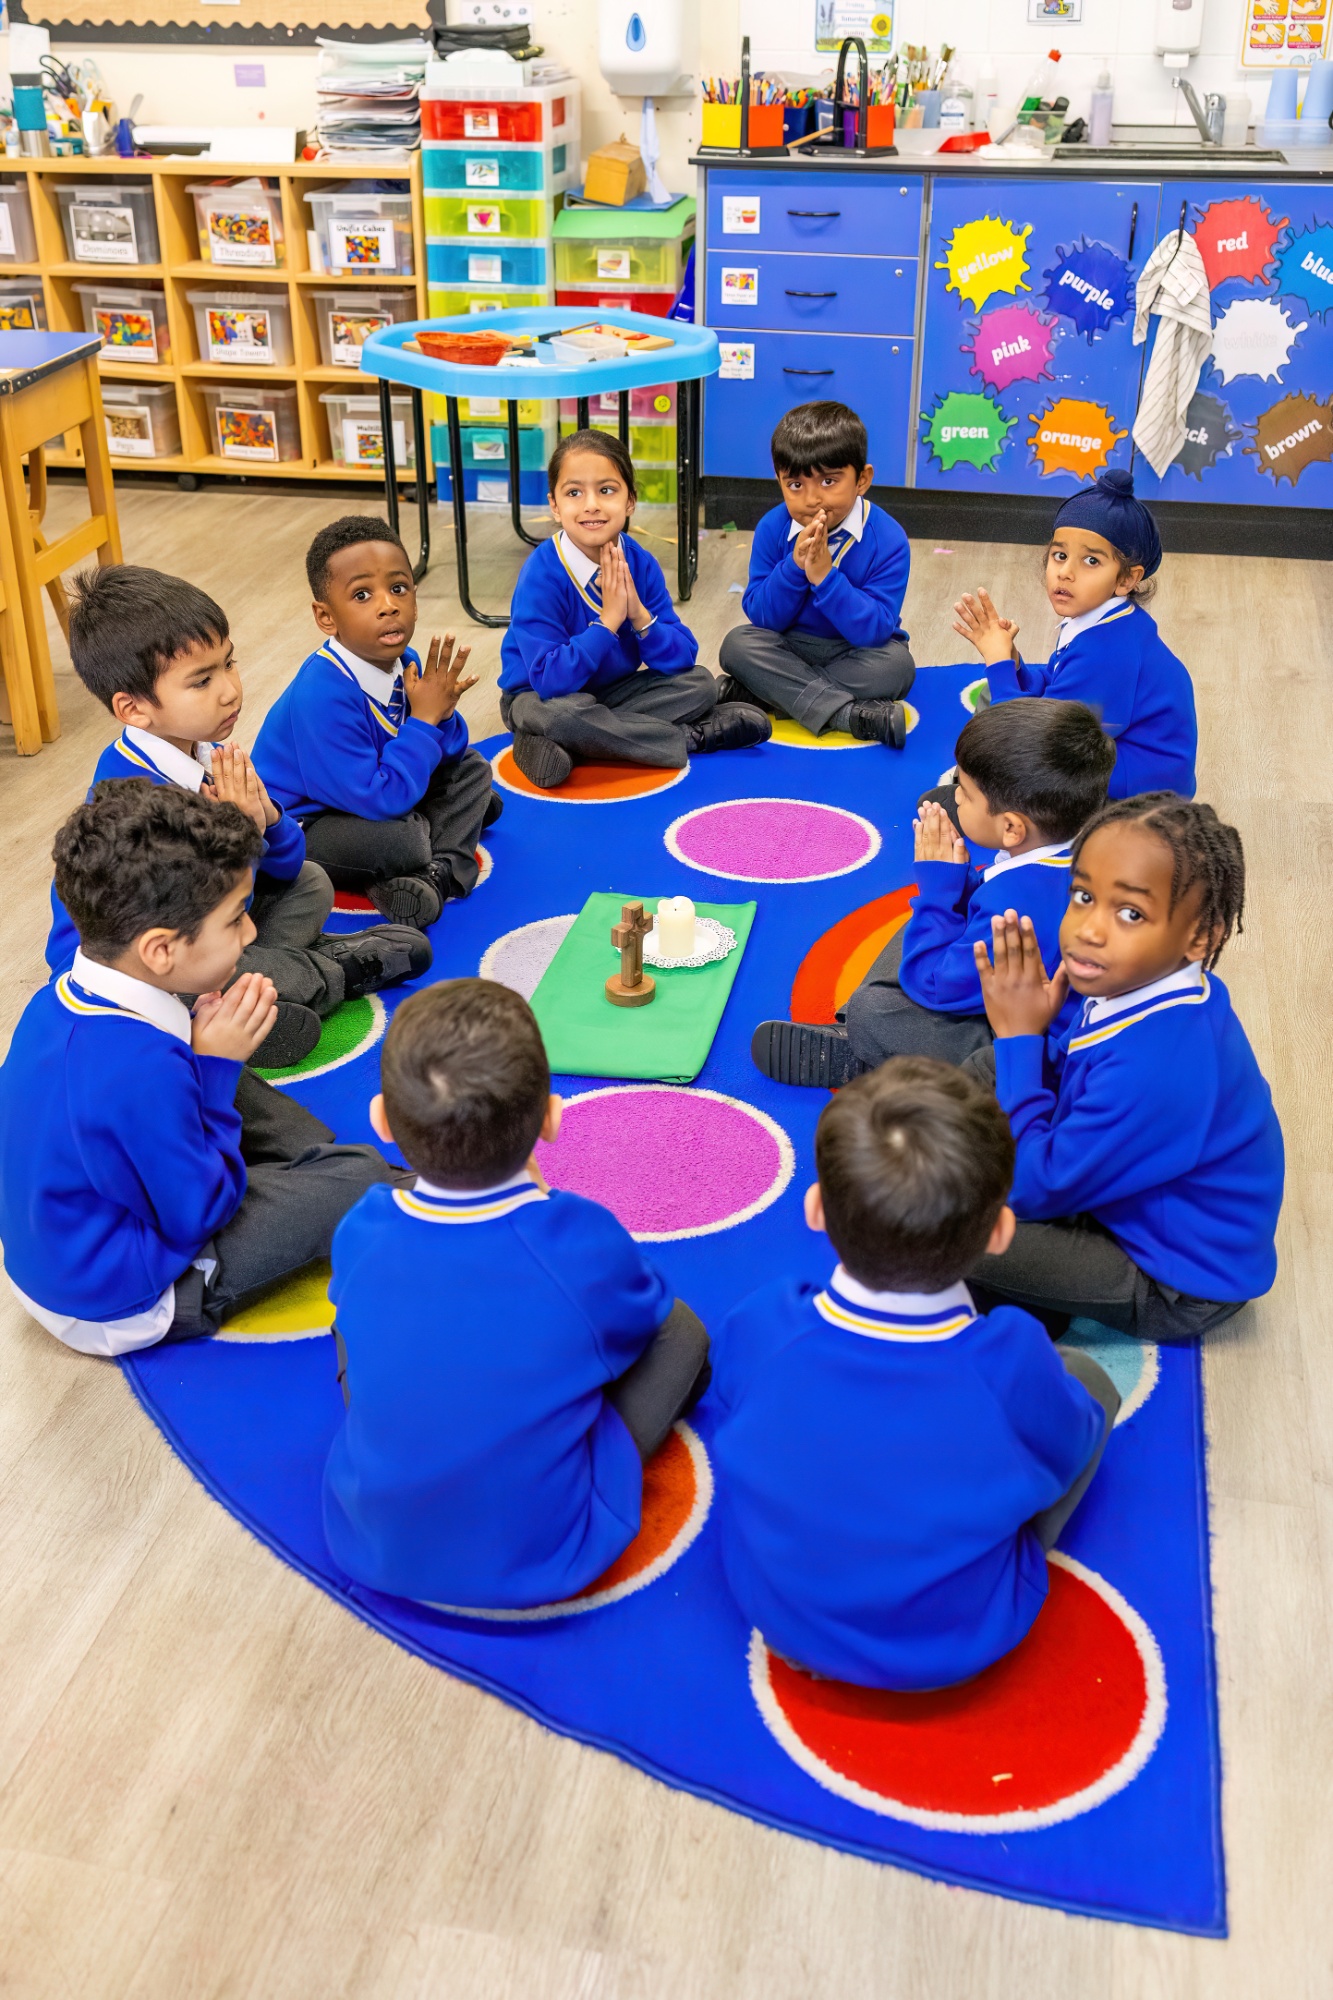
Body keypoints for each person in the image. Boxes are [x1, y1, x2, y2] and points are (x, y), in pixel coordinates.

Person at [711, 1058, 1119, 1691]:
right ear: (1001, 1233)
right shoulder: (1010, 1355)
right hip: (957, 1640)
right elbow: (1067, 1444)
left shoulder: (767, 1323)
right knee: (1087, 1382)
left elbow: (735, 1399)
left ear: (815, 1209)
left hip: (781, 1615)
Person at [322, 979, 711, 1609]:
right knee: (682, 1333)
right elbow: (645, 1315)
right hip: (546, 1554)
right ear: (553, 1120)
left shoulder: (362, 1226)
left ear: (382, 1124)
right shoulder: (581, 1240)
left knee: (364, 1317)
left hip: (373, 1541)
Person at [0, 783, 396, 1356]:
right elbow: (199, 1214)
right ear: (161, 950)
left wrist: (209, 1062)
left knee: (219, 1063)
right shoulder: (139, 1069)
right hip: (127, 1293)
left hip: (62, 1244)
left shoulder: (61, 996)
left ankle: (312, 1164)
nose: (252, 932)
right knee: (359, 1177)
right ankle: (355, 1178)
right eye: (236, 918)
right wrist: (213, 1068)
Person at [47, 564, 429, 1069]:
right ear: (134, 709)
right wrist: (241, 834)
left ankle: (262, 992)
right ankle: (322, 975)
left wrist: (267, 820)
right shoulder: (136, 800)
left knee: (312, 883)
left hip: (209, 932)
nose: (229, 690)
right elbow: (188, 927)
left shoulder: (209, 753)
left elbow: (288, 869)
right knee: (202, 978)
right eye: (201, 681)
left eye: (229, 664)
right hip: (151, 969)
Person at [967, 793, 1284, 1342]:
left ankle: (1029, 1298)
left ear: (1199, 938)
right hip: (1118, 1193)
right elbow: (1077, 1063)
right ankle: (1032, 1285)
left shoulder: (1159, 1070)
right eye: (1083, 895)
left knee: (942, 1224)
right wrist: (1026, 1039)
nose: (1089, 928)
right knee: (986, 1065)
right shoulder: (1145, 983)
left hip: (1172, 1283)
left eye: (1130, 913)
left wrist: (1020, 1035)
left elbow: (1030, 1187)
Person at [751, 697, 1115, 1087]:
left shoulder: (1013, 907)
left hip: (1037, 1061)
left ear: (1012, 828)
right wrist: (958, 887)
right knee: (930, 917)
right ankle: (871, 1047)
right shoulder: (1088, 847)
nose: (954, 795)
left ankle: (865, 1050)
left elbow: (936, 988)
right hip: (1034, 1007)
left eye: (965, 791)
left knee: (873, 1011)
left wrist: (939, 892)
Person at [253, 516, 499, 929]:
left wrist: (443, 711)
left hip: (381, 790)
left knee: (473, 769)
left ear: (415, 600)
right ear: (326, 617)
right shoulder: (322, 694)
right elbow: (378, 801)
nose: (388, 605)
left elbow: (450, 752)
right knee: (403, 839)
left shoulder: (409, 663)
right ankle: (445, 836)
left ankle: (437, 877)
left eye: (398, 588)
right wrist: (422, 720)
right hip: (309, 824)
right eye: (362, 595)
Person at [498, 429, 770, 790]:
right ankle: (689, 737)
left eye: (607, 490)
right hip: (540, 697)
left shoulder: (639, 562)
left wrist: (640, 615)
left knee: (700, 684)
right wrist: (608, 622)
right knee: (559, 717)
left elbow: (681, 658)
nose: (591, 504)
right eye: (574, 492)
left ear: (630, 502)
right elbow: (549, 680)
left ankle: (574, 744)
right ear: (554, 505)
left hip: (613, 690)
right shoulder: (541, 574)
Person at [952, 467, 1197, 800]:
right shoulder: (1104, 621)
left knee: (999, 722)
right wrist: (1014, 662)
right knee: (991, 698)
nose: (1065, 573)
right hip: (1113, 758)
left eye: (1091, 561)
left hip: (1132, 799)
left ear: (1126, 579)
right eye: (1060, 555)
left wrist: (997, 662)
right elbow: (1057, 683)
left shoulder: (1107, 651)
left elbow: (1041, 741)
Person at [716, 401, 915, 748]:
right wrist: (793, 568)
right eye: (795, 485)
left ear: (862, 480)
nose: (812, 499)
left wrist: (825, 577)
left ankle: (766, 694)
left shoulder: (889, 538)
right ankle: (848, 716)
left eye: (828, 481)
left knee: (897, 667)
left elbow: (876, 630)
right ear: (778, 480)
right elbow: (763, 617)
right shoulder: (771, 528)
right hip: (790, 645)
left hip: (854, 650)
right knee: (737, 644)